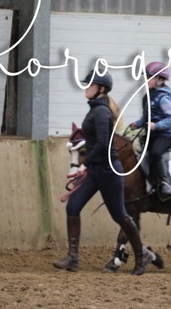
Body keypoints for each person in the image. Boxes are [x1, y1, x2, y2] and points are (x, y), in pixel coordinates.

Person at [53, 69, 152, 276]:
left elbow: (104, 144)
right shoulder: (95, 109)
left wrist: (85, 164)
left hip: (107, 171)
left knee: (120, 216)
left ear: (101, 89)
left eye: (90, 84)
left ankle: (142, 255)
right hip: (96, 170)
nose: (86, 87)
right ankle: (73, 257)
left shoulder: (101, 112)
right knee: (73, 206)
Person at [129, 61, 171, 201]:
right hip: (151, 134)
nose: (146, 80)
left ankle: (166, 184)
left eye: (149, 78)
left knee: (156, 152)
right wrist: (137, 124)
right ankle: (148, 183)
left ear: (160, 80)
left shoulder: (163, 98)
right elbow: (146, 117)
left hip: (164, 135)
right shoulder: (147, 97)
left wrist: (156, 126)